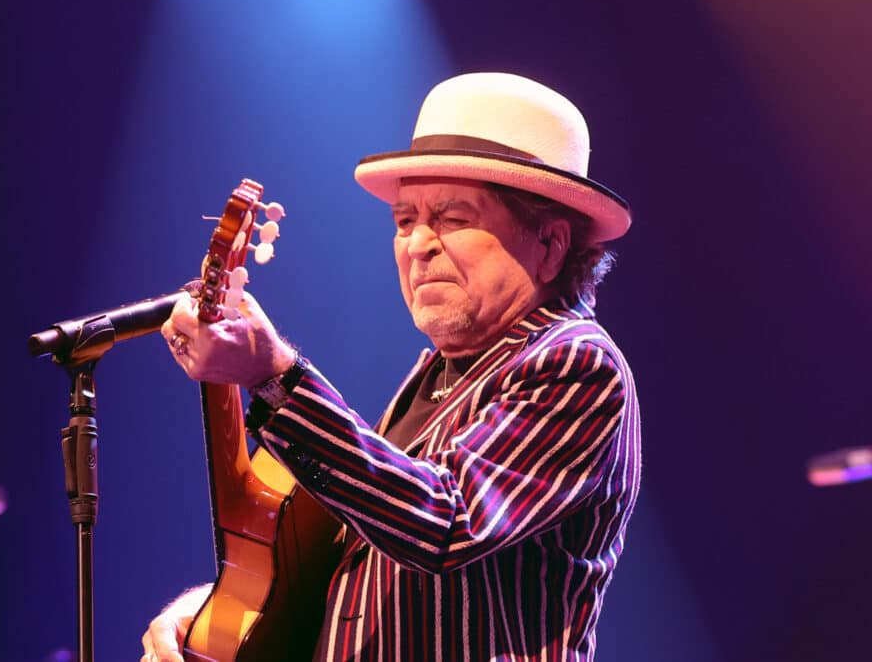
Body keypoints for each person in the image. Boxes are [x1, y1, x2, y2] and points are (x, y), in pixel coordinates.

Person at [145, 72, 641, 662]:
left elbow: (444, 525)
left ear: (551, 244)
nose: (418, 244)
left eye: (453, 218)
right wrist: (217, 612)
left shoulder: (576, 364)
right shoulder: (434, 378)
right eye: (406, 221)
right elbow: (356, 567)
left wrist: (274, 374)